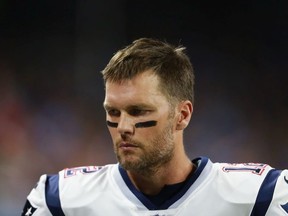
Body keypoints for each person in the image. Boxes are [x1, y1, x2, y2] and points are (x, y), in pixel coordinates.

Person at [22, 38, 288, 216]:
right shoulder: (60, 201)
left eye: (138, 111)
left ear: (181, 115)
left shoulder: (259, 198)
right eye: (113, 112)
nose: (123, 127)